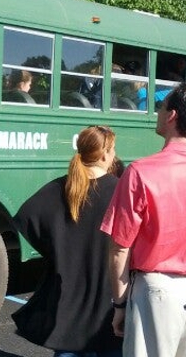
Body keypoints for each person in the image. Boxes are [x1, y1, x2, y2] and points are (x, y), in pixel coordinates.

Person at [101, 82, 186, 357]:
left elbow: (119, 248)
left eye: (161, 107)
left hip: (156, 290)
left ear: (172, 116)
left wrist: (119, 304)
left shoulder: (141, 173)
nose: (158, 113)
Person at [12, 125, 122, 357]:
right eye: (112, 150)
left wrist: (55, 250)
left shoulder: (62, 186)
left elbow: (27, 217)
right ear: (104, 154)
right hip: (105, 296)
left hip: (67, 296)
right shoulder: (119, 190)